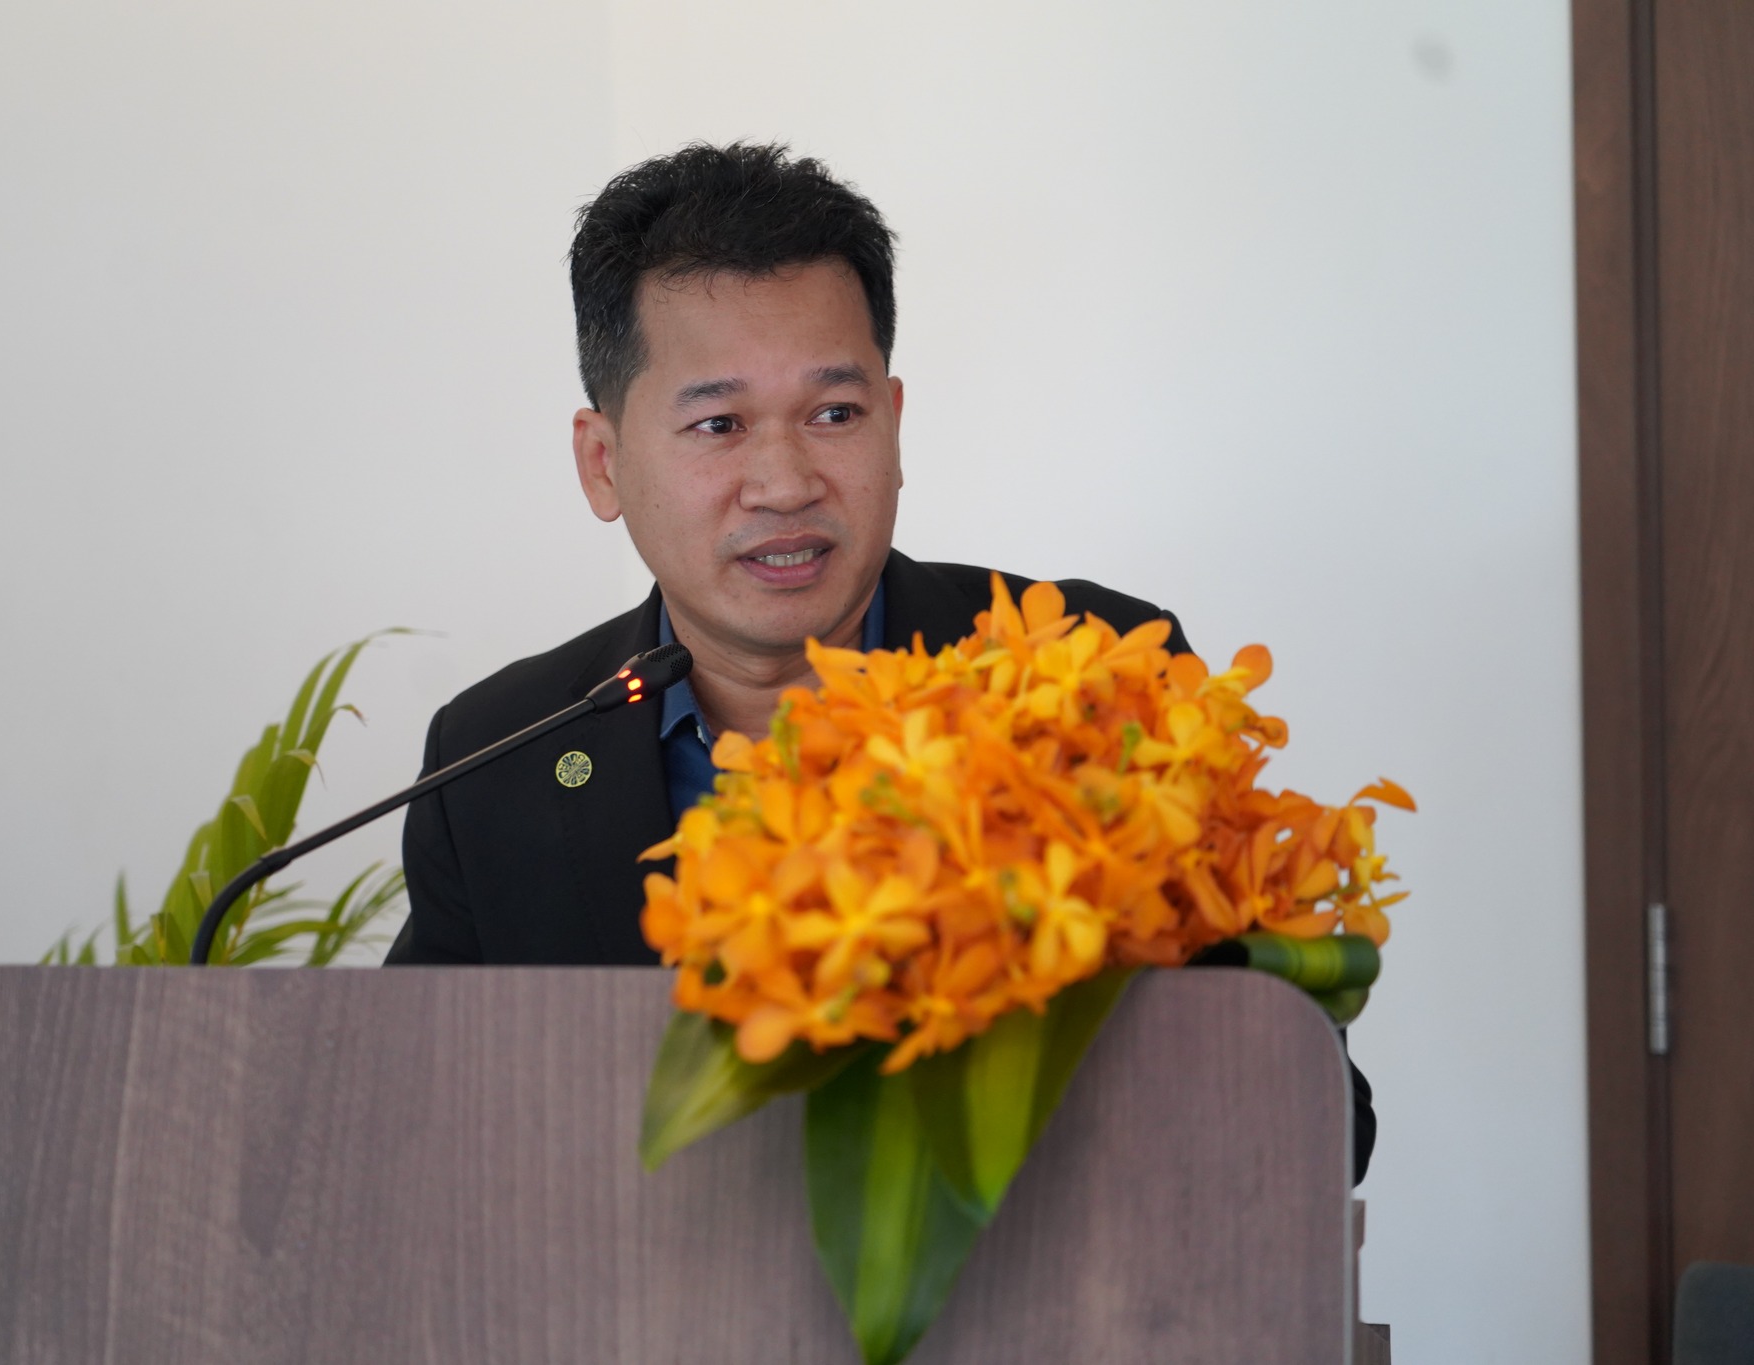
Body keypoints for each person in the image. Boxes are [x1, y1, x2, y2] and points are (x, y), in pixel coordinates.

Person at [384, 143, 1373, 1180]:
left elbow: (1315, 1129)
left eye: (833, 415)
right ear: (603, 463)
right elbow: (404, 1136)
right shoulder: (493, 760)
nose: (783, 483)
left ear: (893, 427)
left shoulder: (1096, 675)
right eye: (718, 423)